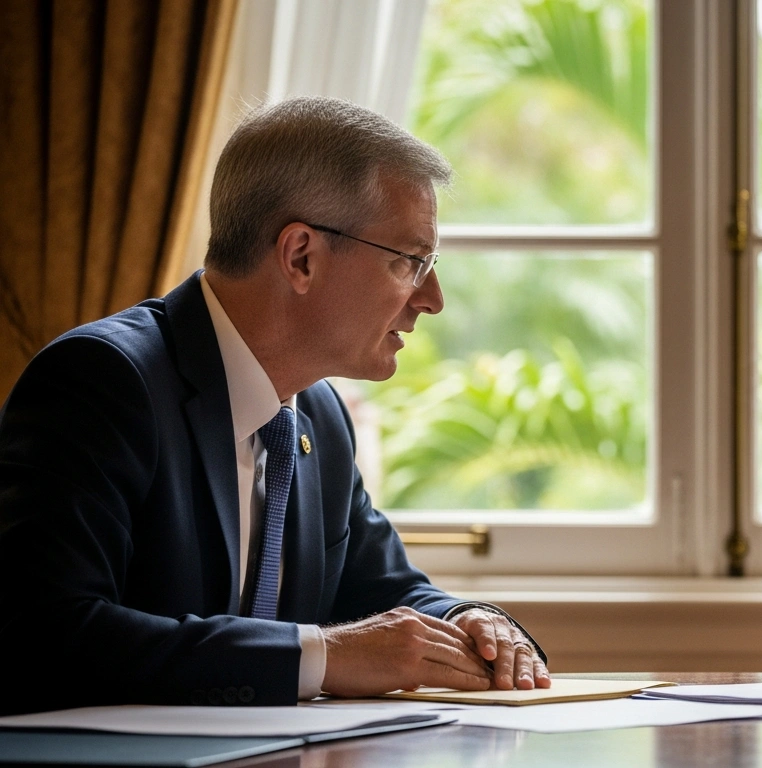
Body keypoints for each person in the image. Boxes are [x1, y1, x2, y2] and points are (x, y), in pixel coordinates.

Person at [0, 97, 551, 715]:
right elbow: (42, 632)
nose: (433, 298)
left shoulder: (320, 415)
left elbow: (386, 592)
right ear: (301, 257)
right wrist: (323, 658)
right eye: (409, 261)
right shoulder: (102, 381)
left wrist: (469, 620)